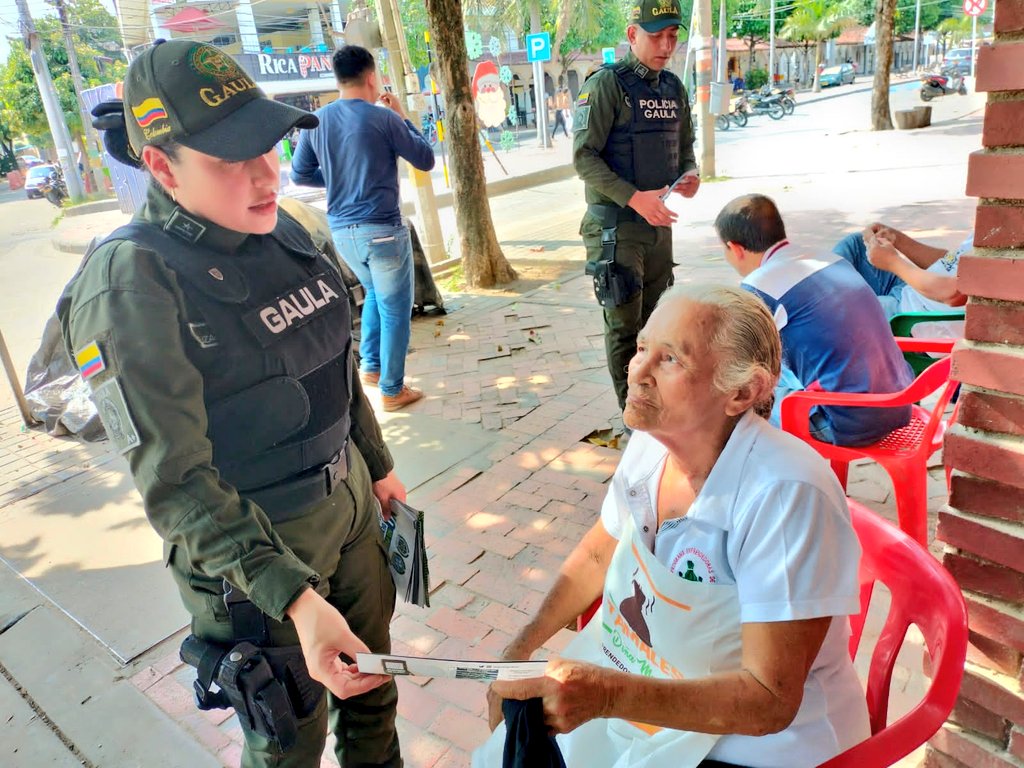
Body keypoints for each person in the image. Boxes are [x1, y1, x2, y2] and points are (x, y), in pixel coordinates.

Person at [61, 39, 403, 767]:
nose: (263, 175)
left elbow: (335, 365)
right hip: (256, 561)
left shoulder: (289, 228)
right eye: (228, 160)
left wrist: (375, 464)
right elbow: (175, 485)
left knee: (375, 694)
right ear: (159, 164)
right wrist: (295, 598)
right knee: (289, 743)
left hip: (349, 512)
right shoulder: (132, 286)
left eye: (268, 148)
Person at [474, 284, 870, 768]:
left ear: (741, 392)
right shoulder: (652, 443)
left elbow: (768, 701)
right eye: (642, 348)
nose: (637, 369)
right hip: (651, 690)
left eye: (670, 360)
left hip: (752, 747)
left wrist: (605, 695)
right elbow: (601, 552)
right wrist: (520, 646)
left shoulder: (784, 495)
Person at [291, 45, 435, 412]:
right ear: (371, 78)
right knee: (395, 310)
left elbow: (299, 174)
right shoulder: (383, 119)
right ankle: (392, 389)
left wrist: (339, 180)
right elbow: (425, 158)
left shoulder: (316, 121)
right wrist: (401, 115)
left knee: (372, 293)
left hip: (342, 234)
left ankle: (370, 367)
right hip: (383, 231)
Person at [574, 0, 699, 413]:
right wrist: (633, 198)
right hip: (617, 230)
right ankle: (633, 417)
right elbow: (583, 157)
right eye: (656, 35)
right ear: (632, 35)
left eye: (672, 36)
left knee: (658, 329)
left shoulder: (673, 87)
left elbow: (685, 149)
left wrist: (689, 174)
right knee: (626, 330)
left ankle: (654, 408)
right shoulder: (607, 84)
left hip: (658, 226)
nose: (666, 45)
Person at [716, 194, 914, 447]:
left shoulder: (759, 286)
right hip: (899, 403)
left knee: (732, 395)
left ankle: (755, 480)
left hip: (844, 422)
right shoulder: (829, 259)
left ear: (735, 248)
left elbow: (736, 356)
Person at [832, 224, 969, 340]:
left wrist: (893, 262)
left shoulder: (990, 247)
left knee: (830, 314)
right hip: (914, 291)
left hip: (913, 318)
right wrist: (898, 240)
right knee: (857, 244)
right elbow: (953, 262)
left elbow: (955, 294)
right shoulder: (986, 227)